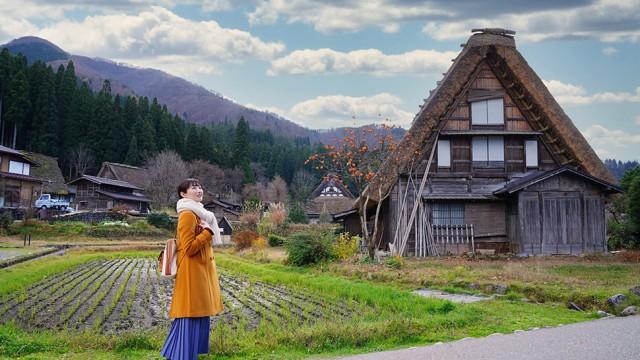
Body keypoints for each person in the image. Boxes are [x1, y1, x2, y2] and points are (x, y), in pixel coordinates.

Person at [161, 178, 224, 360]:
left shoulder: (201, 214)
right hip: (192, 272)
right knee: (189, 313)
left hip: (200, 271)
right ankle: (181, 354)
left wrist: (206, 230)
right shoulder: (188, 214)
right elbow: (188, 248)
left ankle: (184, 353)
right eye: (194, 187)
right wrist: (207, 233)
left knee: (196, 313)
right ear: (183, 194)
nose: (199, 190)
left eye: (200, 186)